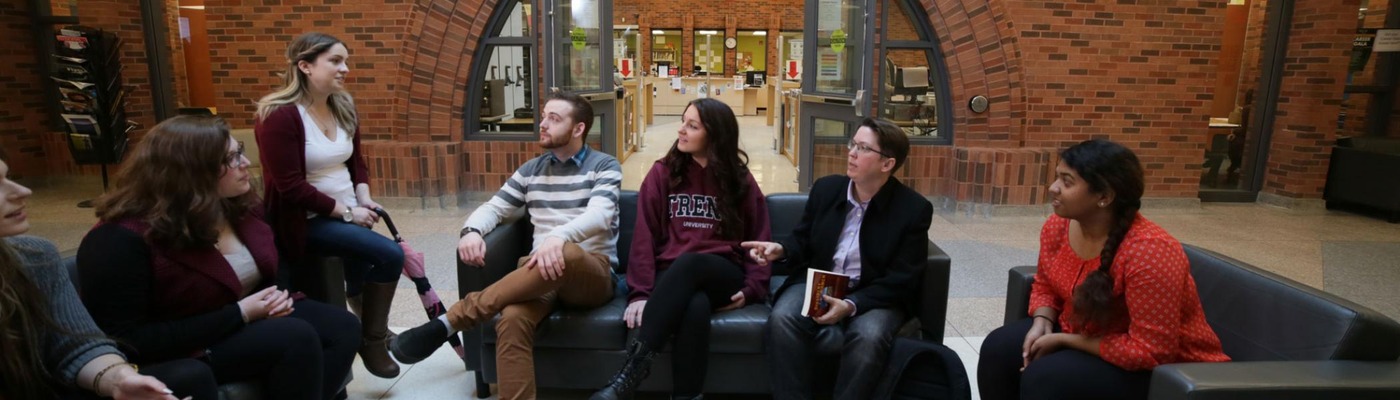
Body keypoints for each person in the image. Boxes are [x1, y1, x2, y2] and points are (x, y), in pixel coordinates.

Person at [78, 116, 361, 400]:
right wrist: (241, 313)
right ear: (191, 171)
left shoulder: (240, 205)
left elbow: (276, 260)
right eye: (230, 158)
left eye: (239, 150)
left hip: (240, 316)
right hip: (186, 340)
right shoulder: (118, 239)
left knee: (344, 327)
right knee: (296, 337)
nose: (245, 163)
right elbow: (129, 340)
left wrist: (278, 295)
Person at [390, 91, 621, 400]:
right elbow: (495, 208)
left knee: (564, 253)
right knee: (511, 319)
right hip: (541, 274)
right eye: (543, 116)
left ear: (578, 129)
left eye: (554, 119)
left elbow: (600, 215)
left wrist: (558, 237)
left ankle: (453, 320)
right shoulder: (531, 170)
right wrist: (471, 230)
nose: (543, 124)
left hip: (590, 273)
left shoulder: (604, 165)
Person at [976, 139, 1230, 400]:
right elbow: (1045, 284)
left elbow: (1152, 352)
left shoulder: (1149, 251)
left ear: (1104, 197)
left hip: (1166, 370)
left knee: (1046, 378)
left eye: (1067, 181)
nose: (1053, 188)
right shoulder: (1058, 227)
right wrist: (1043, 320)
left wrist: (1065, 341)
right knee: (999, 349)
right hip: (1086, 334)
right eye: (1056, 178)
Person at [591, 98, 772, 400]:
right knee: (694, 305)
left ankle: (631, 372)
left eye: (692, 125)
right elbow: (644, 236)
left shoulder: (740, 180)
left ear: (715, 134)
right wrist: (640, 292)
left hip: (723, 273)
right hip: (671, 275)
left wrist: (754, 289)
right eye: (683, 121)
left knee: (691, 263)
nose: (681, 130)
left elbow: (761, 239)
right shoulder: (662, 173)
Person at [743, 118, 933, 400]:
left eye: (863, 148)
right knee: (782, 319)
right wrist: (781, 250)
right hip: (819, 279)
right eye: (852, 144)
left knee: (868, 337)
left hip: (873, 293)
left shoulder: (913, 209)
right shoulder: (827, 189)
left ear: (887, 164)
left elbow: (902, 279)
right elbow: (802, 241)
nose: (852, 153)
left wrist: (851, 305)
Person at [253, 32, 403, 378]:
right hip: (306, 220)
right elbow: (289, 186)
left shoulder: (341, 104)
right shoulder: (278, 115)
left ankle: (366, 326)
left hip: (348, 210)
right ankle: (373, 339)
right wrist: (348, 213)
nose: (345, 68)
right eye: (335, 61)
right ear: (304, 66)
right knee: (389, 255)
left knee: (364, 264)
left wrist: (363, 198)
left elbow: (357, 163)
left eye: (345, 61)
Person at [0, 159, 184, 400]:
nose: (23, 191)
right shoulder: (121, 237)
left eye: (8, 177)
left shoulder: (34, 256)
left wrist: (118, 378)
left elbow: (77, 345)